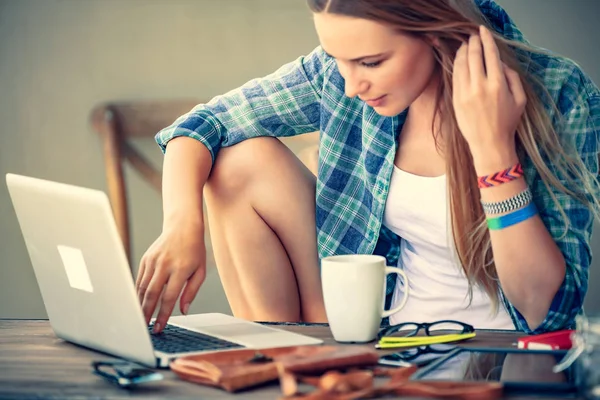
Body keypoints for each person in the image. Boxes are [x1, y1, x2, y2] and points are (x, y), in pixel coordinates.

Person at [135, 0, 600, 335]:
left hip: (502, 358)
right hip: (378, 343)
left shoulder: (557, 93)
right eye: (338, 61)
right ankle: (291, 364)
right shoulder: (339, 77)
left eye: (371, 62)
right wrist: (181, 225)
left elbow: (546, 311)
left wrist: (493, 150)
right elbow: (203, 124)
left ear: (436, 30)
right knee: (237, 162)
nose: (352, 85)